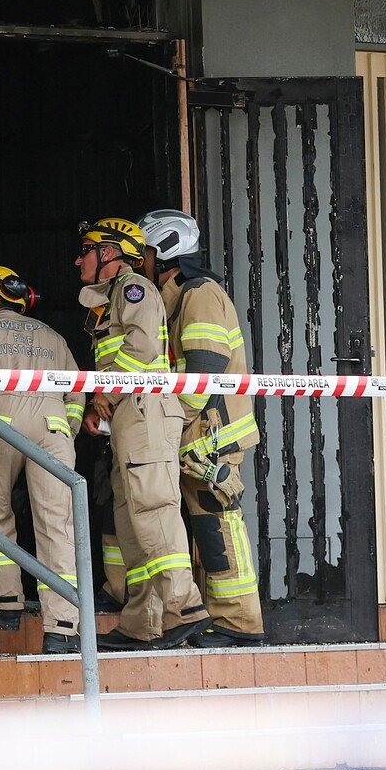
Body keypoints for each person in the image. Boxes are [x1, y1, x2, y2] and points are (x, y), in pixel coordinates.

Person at [77, 218, 211, 650]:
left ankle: (183, 605)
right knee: (131, 516)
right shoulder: (114, 297)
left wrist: (105, 393)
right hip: (130, 415)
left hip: (144, 410)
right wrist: (105, 401)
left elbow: (141, 351)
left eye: (87, 250)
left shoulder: (135, 289)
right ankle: (144, 622)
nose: (79, 259)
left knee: (153, 507)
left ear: (111, 254)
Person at [0, 266, 85, 654]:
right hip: (52, 426)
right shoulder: (53, 337)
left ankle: (6, 605)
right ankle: (62, 627)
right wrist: (64, 430)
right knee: (57, 523)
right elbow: (77, 392)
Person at [141, 209, 265, 647]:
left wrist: (174, 420)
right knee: (206, 532)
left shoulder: (201, 294)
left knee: (218, 528)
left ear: (166, 251)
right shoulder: (177, 296)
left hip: (212, 438)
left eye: (147, 253)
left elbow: (206, 369)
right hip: (198, 436)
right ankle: (223, 619)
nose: (143, 262)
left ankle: (241, 624)